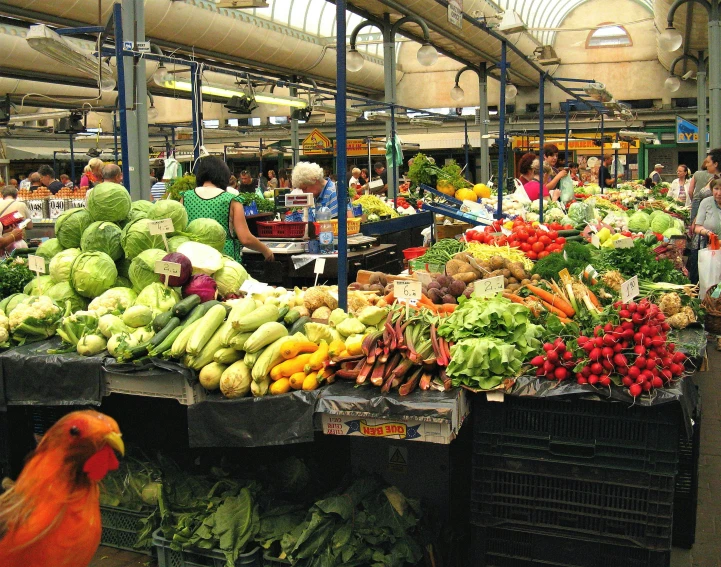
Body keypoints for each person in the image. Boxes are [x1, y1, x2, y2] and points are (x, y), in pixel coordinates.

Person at [181, 156, 273, 262]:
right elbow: (245, 238)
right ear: (223, 175)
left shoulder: (185, 197)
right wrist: (266, 251)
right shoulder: (232, 200)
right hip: (223, 261)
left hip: (193, 259)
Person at [688, 149, 721, 283]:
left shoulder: (717, 180)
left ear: (716, 164)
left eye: (708, 162)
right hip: (706, 224)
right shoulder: (714, 179)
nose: (706, 165)